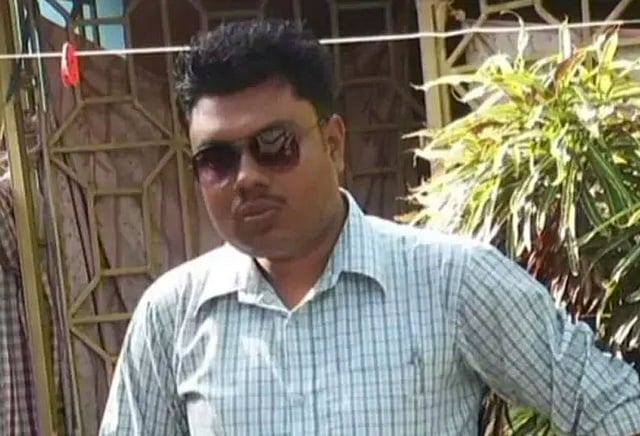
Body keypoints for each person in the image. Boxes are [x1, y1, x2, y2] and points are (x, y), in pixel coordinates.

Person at [99, 19, 640, 435]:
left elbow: (612, 404)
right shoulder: (172, 316)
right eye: (217, 159)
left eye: (274, 145)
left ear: (334, 143)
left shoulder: (450, 281)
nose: (246, 177)